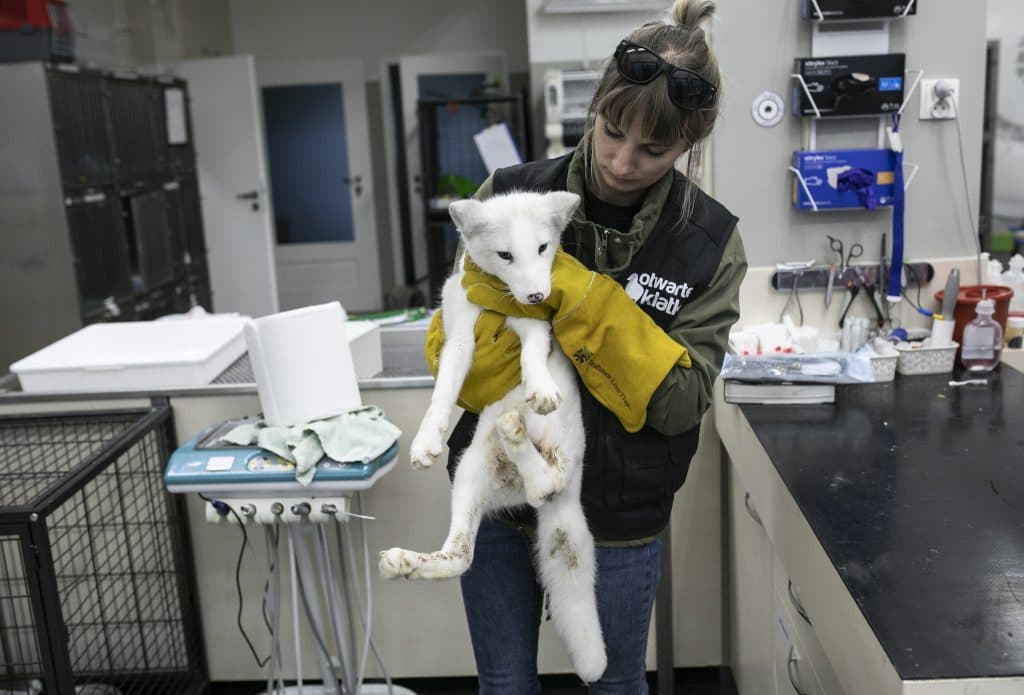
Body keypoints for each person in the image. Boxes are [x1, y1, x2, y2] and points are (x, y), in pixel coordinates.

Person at [425, 0, 747, 691]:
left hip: (618, 514)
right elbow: (453, 340)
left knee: (615, 683)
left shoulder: (708, 242)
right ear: (596, 106)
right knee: (504, 684)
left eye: (653, 151)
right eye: (612, 131)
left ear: (688, 146)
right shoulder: (510, 195)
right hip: (500, 491)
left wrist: (576, 292)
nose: (622, 162)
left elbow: (680, 402)